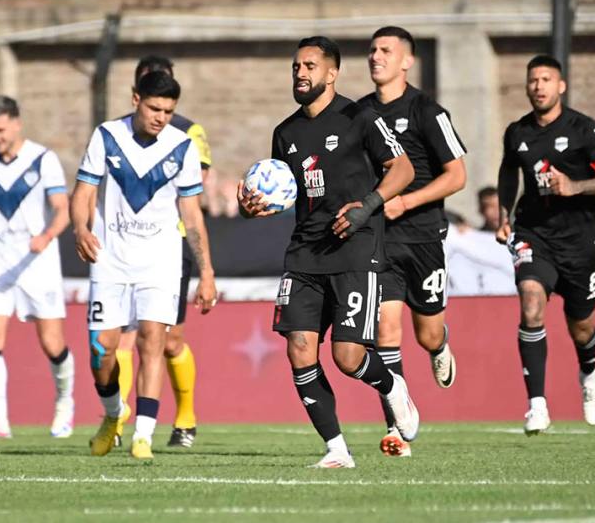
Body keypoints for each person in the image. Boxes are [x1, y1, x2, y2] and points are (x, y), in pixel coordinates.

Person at [238, 36, 417, 469]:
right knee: (299, 347)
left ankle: (391, 385)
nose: (301, 73)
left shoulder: (361, 117)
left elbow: (404, 169)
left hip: (356, 250)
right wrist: (251, 210)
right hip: (305, 252)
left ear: (332, 73)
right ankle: (337, 449)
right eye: (296, 67)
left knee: (347, 357)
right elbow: (286, 193)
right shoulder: (286, 132)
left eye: (310, 66)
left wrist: (367, 208)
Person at [70, 71, 217, 460]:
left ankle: (143, 436)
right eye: (154, 108)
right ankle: (113, 414)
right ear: (136, 99)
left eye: (169, 111)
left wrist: (207, 272)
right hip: (111, 260)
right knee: (102, 353)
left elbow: (192, 213)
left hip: (161, 261)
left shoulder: (182, 147)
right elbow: (84, 190)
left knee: (154, 340)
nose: (161, 117)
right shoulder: (106, 136)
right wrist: (80, 228)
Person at [496, 55, 595, 435]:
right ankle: (536, 405)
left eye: (546, 79)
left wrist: (575, 187)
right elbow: (508, 171)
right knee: (531, 302)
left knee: (581, 326)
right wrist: (505, 215)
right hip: (533, 235)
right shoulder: (517, 132)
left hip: (579, 242)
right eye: (533, 80)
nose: (539, 86)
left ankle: (589, 371)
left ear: (561, 86)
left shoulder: (584, 129)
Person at [356, 26, 467, 458]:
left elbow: (457, 176)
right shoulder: (359, 113)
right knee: (384, 328)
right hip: (378, 238)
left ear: (406, 61)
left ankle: (440, 344)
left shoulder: (427, 111)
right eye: (372, 50)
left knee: (426, 332)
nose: (375, 56)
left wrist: (408, 202)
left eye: (386, 50)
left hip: (422, 236)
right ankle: (396, 424)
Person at [112, 55, 213, 449]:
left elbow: (195, 186)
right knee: (122, 338)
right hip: (125, 248)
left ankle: (185, 417)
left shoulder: (188, 133)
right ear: (137, 93)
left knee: (168, 341)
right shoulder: (116, 134)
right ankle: (118, 423)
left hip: (171, 247)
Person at [0, 96, 75, 439]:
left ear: (16, 123)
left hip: (36, 260)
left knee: (51, 342)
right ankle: (0, 420)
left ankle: (64, 403)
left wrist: (47, 235)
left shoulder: (43, 160)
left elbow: (62, 209)